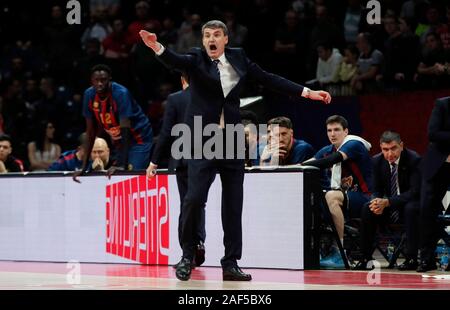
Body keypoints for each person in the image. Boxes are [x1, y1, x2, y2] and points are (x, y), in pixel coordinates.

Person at [140, 20, 331, 281]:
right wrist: (158, 47)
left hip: (231, 138)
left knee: (233, 204)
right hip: (202, 139)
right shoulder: (196, 58)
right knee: (194, 198)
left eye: (216, 35)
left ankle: (230, 263)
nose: (211, 39)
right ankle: (187, 255)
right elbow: (177, 61)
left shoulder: (238, 58)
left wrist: (307, 93)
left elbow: (268, 79)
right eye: (207, 35)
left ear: (226, 39)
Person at [146, 74, 206, 268]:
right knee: (199, 203)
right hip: (207, 157)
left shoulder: (175, 99)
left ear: (183, 80)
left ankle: (187, 253)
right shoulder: (210, 96)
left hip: (184, 160)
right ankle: (199, 241)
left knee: (187, 204)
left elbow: (165, 133)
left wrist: (154, 162)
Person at [302, 115, 372, 268]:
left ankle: (339, 252)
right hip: (345, 197)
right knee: (309, 199)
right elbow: (305, 164)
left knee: (331, 196)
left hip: (367, 197)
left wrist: (306, 165)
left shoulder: (354, 144)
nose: (332, 134)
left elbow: (331, 160)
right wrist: (283, 170)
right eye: (329, 130)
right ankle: (313, 249)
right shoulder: (327, 150)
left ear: (346, 131)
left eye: (337, 130)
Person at [74, 64, 152, 181]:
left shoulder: (121, 93)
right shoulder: (89, 95)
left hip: (138, 139)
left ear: (110, 79)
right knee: (115, 176)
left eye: (103, 80)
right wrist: (84, 166)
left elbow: (125, 130)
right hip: (119, 140)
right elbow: (90, 132)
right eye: (96, 80)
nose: (100, 83)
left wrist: (121, 164)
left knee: (129, 174)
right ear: (91, 81)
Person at [358, 131, 421, 270]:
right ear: (380, 148)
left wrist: (388, 202)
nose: (389, 154)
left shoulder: (414, 159)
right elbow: (376, 190)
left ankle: (412, 259)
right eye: (385, 150)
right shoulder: (376, 161)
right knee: (367, 208)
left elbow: (415, 192)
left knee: (410, 208)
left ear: (401, 145)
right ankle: (365, 258)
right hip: (390, 205)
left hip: (411, 203)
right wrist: (376, 202)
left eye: (393, 148)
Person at [417, 97, 450, 272]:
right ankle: (426, 259)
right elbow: (433, 133)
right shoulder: (442, 104)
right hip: (439, 164)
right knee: (427, 209)